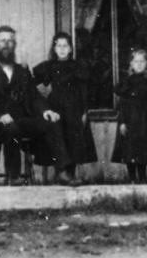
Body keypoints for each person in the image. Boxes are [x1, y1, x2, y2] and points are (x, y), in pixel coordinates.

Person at [0, 26, 77, 186]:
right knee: (12, 129)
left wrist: (45, 110)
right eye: (3, 41)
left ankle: (62, 172)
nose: (6, 44)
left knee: (52, 123)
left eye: (10, 41)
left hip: (21, 120)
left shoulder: (21, 71)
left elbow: (34, 96)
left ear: (15, 44)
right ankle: (13, 175)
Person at [32, 32, 98, 181]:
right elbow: (33, 82)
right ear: (54, 49)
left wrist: (84, 111)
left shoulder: (77, 66)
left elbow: (83, 91)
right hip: (55, 105)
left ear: (71, 49)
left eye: (65, 46)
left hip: (73, 106)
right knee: (58, 136)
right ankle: (61, 172)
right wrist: (24, 72)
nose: (62, 49)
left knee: (72, 138)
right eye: (59, 46)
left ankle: (71, 175)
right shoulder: (49, 66)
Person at [111, 48, 147, 184]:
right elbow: (122, 104)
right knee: (130, 147)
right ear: (131, 64)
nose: (139, 64)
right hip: (130, 118)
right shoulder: (127, 81)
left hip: (146, 118)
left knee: (144, 148)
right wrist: (122, 122)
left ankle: (142, 178)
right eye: (136, 61)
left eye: (142, 61)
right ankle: (131, 178)